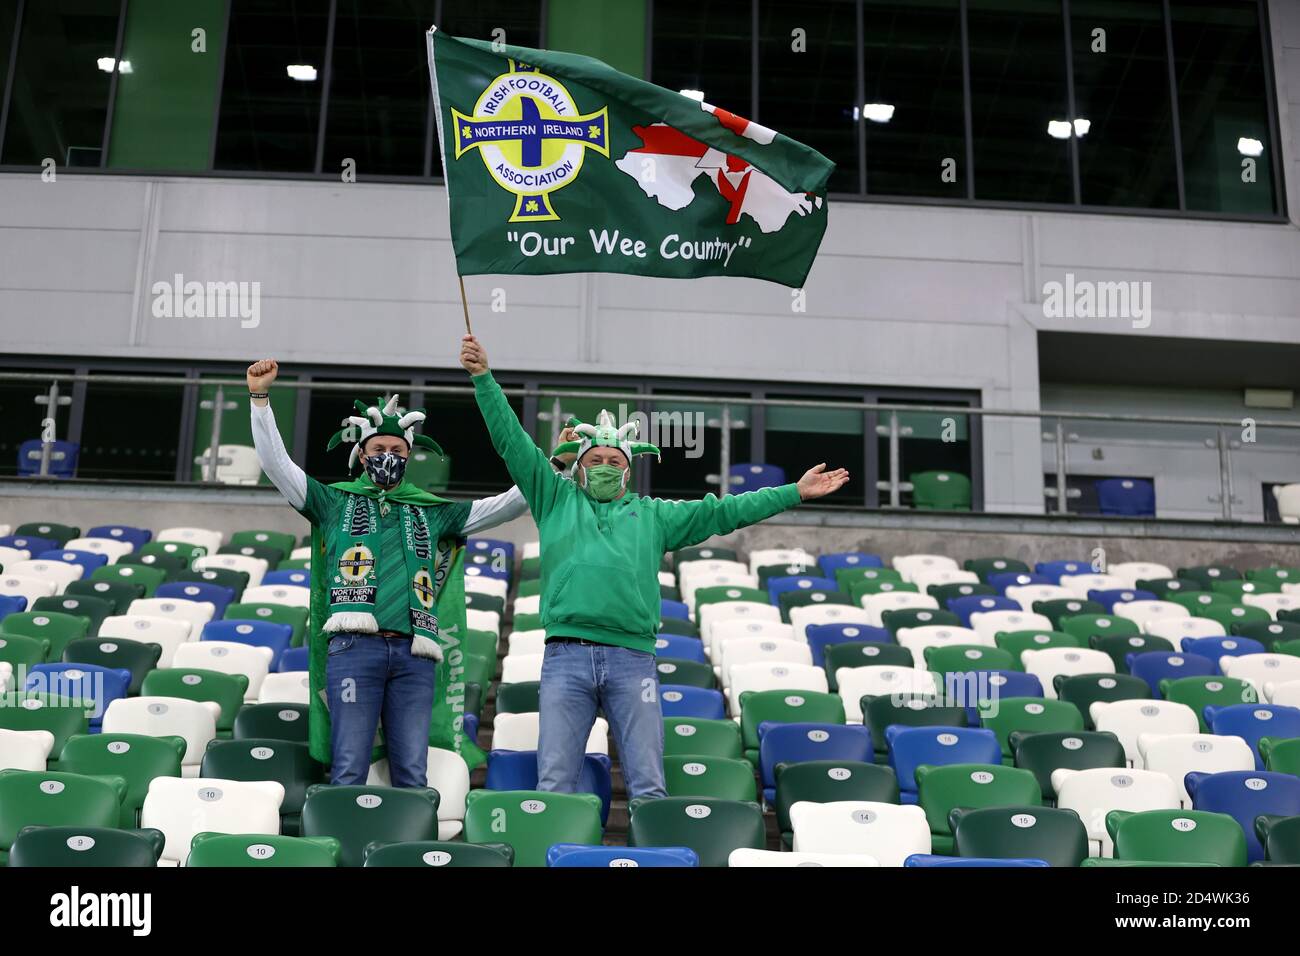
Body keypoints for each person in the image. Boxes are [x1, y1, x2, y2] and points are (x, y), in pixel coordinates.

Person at [458, 334, 850, 799]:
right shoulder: (554, 497)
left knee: (648, 785)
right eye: (595, 459)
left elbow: (725, 511)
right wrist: (484, 379)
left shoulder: (656, 515)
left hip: (633, 659)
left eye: (613, 460)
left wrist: (793, 493)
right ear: (579, 467)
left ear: (628, 469)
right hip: (566, 658)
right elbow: (512, 442)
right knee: (555, 784)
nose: (604, 465)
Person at [246, 358, 530, 786]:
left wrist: (554, 470)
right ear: (361, 454)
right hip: (354, 649)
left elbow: (508, 504)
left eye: (397, 451)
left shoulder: (433, 511)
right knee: (347, 768)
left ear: (410, 456)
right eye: (379, 449)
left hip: (414, 656)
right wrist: (260, 400)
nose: (388, 457)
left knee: (413, 772)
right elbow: (277, 466)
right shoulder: (332, 501)